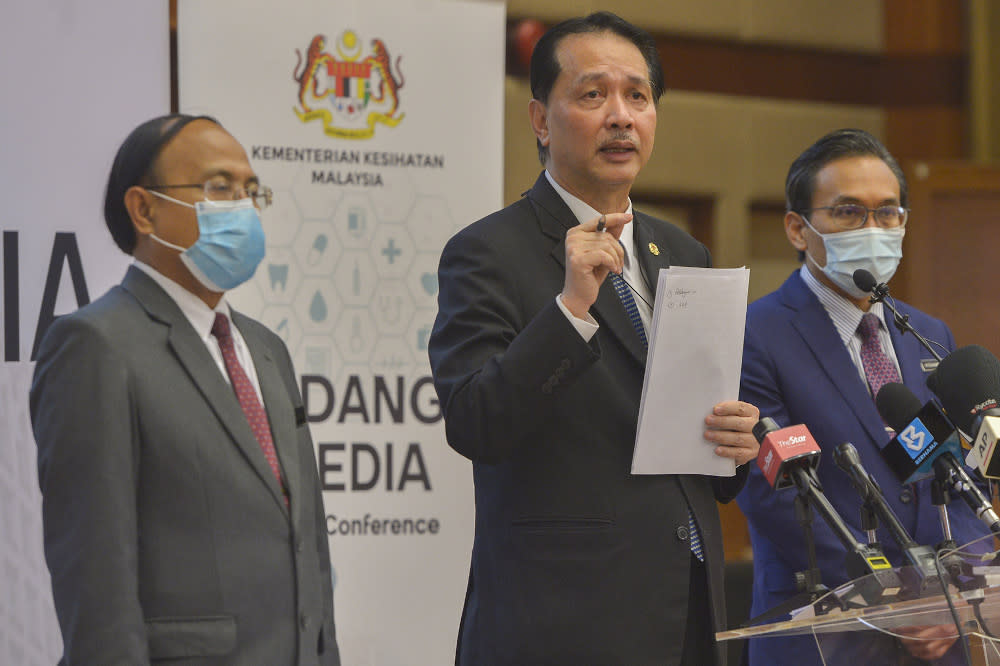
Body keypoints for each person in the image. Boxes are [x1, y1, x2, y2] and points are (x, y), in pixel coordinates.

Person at [428, 12, 760, 665]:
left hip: (687, 611)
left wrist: (738, 440)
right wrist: (571, 309)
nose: (620, 115)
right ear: (540, 120)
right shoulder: (488, 252)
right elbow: (475, 422)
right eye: (591, 94)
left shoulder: (680, 249)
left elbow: (693, 440)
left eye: (638, 95)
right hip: (562, 625)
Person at [30, 114, 340, 665]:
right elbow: (95, 571)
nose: (242, 207)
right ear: (144, 209)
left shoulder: (266, 350)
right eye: (219, 187)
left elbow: (307, 539)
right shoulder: (94, 346)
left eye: (250, 190)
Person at [737, 128, 993, 665]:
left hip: (944, 635)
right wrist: (902, 600)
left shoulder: (928, 334)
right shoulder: (753, 334)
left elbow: (959, 472)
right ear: (797, 228)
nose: (872, 229)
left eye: (887, 213)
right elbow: (775, 492)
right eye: (849, 213)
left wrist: (955, 592)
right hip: (826, 635)